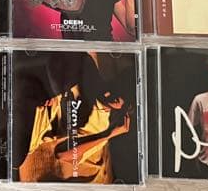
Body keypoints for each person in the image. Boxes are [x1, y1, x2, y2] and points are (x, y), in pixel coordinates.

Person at [19, 51, 132, 183]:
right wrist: (50, 89)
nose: (114, 92)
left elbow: (63, 155)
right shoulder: (88, 66)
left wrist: (108, 135)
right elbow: (51, 60)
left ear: (125, 109)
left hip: (29, 134)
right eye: (118, 84)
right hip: (27, 97)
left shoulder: (102, 127)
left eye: (123, 97)